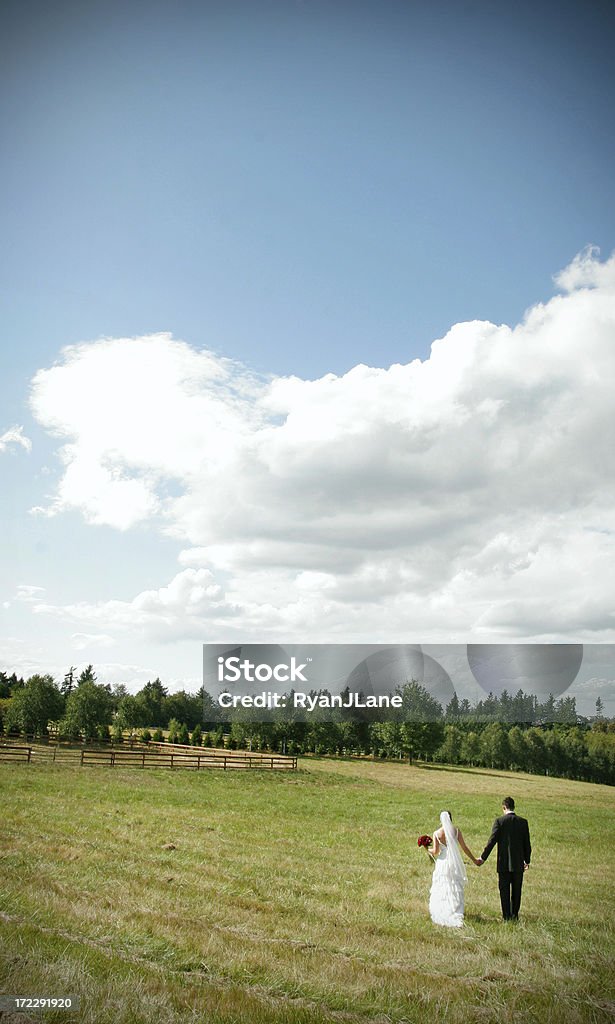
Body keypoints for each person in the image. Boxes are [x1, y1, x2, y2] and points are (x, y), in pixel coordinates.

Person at [477, 796, 531, 921]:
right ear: (513, 807)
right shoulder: (523, 822)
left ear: (504, 807)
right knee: (517, 891)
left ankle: (506, 916)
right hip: (518, 864)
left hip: (503, 864)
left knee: (504, 891)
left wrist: (483, 858)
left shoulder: (499, 822)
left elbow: (492, 841)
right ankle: (515, 915)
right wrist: (527, 861)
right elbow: (527, 844)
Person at [425, 810, 480, 927]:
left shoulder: (437, 834)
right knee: (454, 884)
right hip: (454, 861)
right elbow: (464, 848)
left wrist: (427, 849)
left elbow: (435, 852)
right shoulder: (456, 831)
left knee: (443, 884)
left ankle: (442, 907)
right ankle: (455, 908)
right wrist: (474, 859)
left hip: (443, 861)